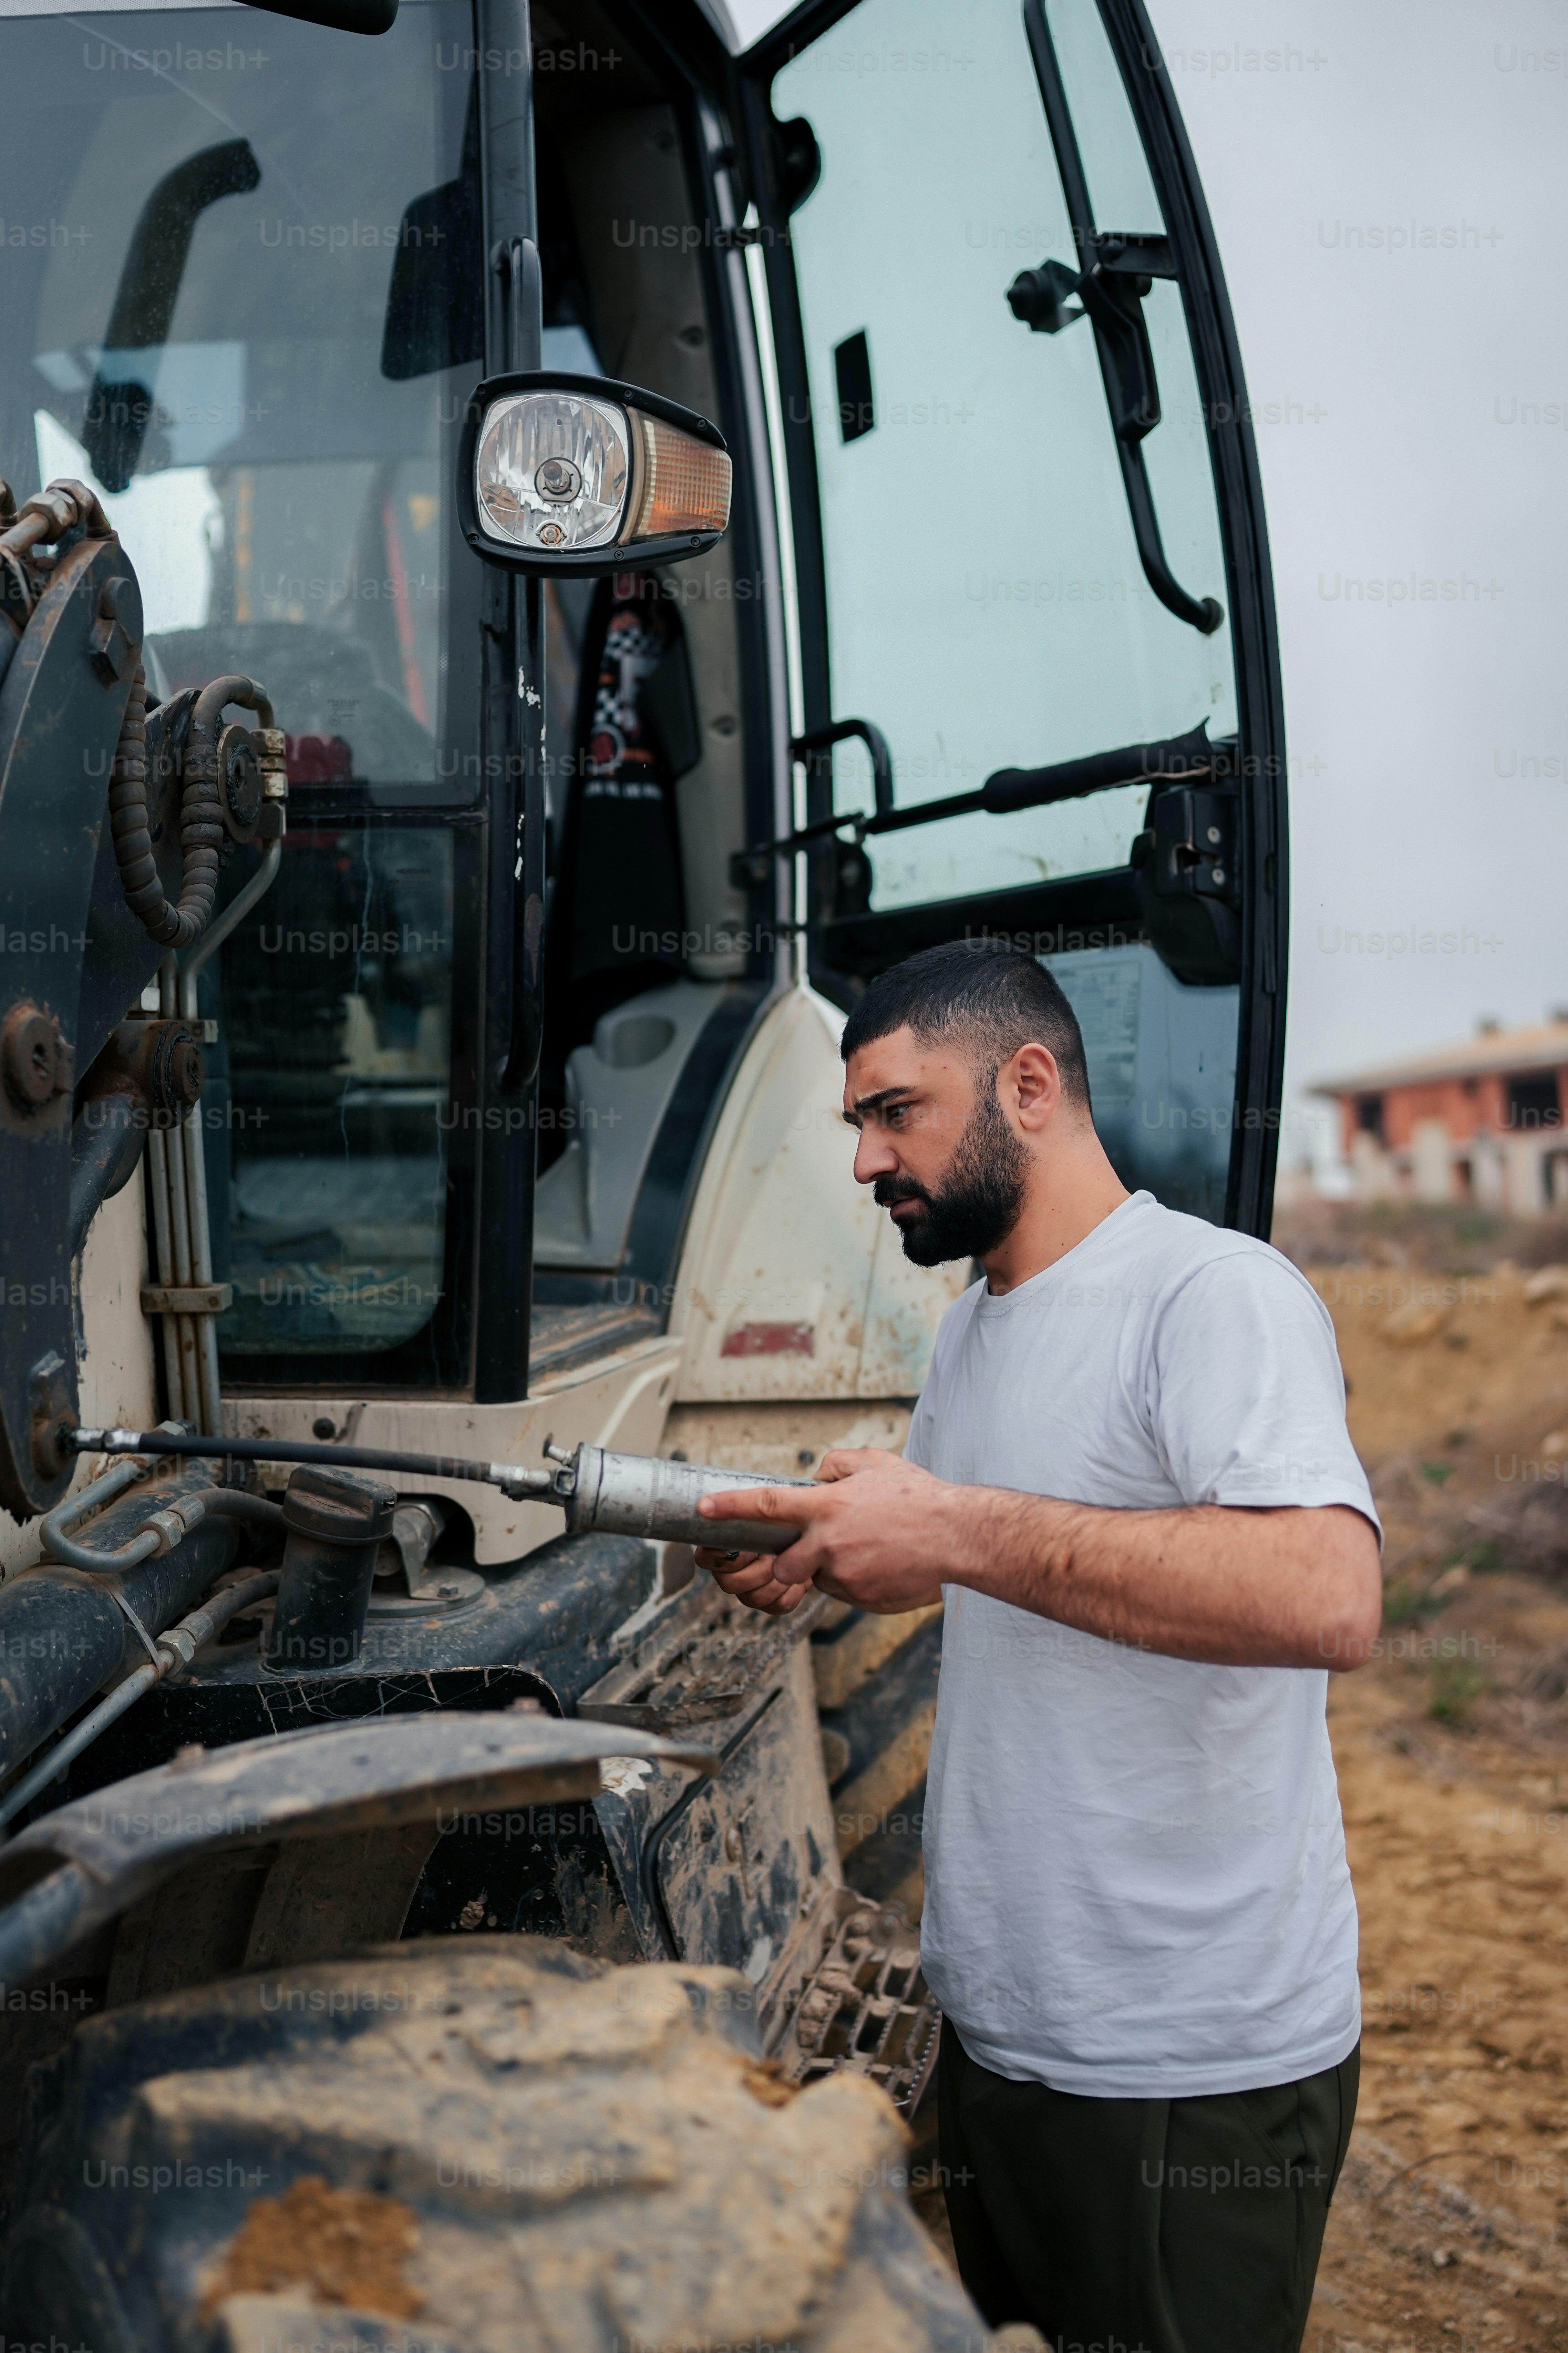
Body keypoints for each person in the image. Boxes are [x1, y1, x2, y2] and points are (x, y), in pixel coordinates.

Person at [693, 940, 1382, 2353]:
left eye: (897, 1112)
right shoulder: (974, 1330)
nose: (867, 1161)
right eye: (859, 1124)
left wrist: (945, 1524)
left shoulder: (1212, 1293)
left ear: (1027, 1085)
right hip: (1003, 2032)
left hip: (1181, 2064)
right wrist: (822, 1553)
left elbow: (1326, 1595)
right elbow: (992, 1563)